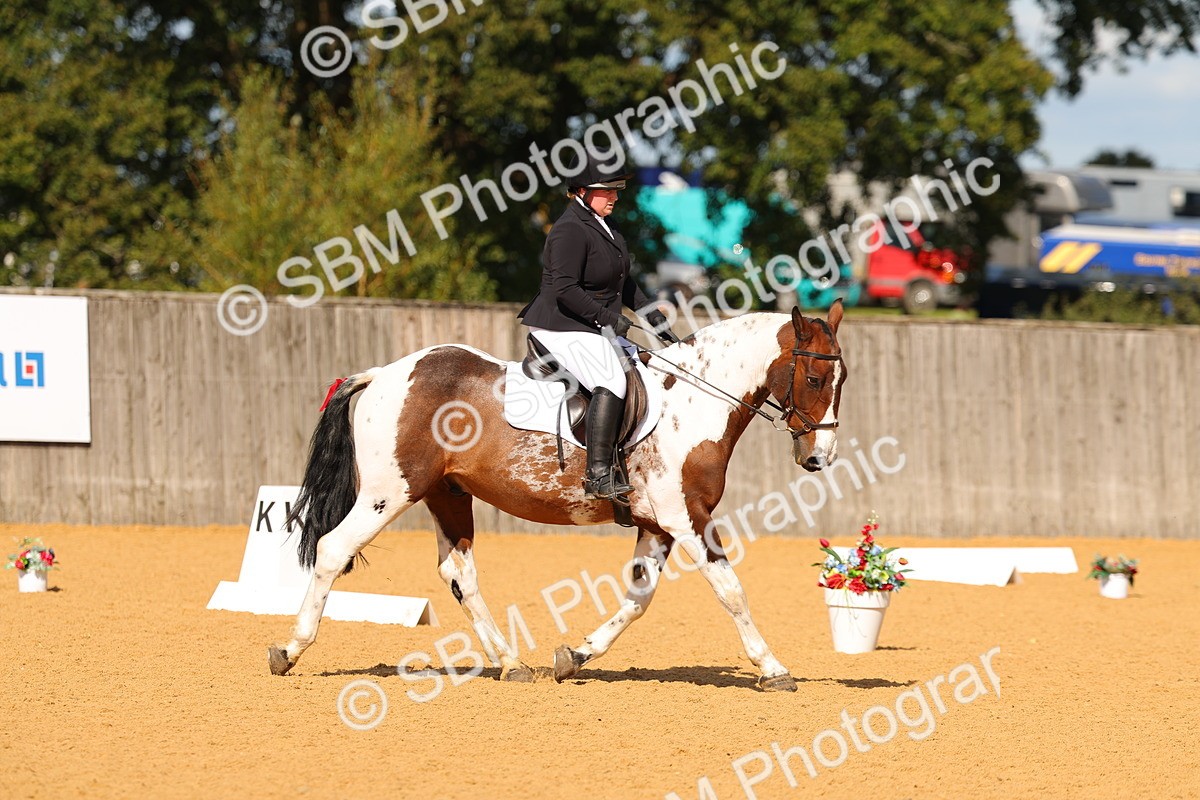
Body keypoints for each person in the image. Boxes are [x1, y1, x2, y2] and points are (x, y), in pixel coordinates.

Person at [518, 150, 680, 501]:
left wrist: (652, 316)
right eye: (608, 190)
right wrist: (609, 318)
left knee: (646, 369)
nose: (615, 196)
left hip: (590, 325)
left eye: (616, 189)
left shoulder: (607, 226)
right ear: (581, 191)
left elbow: (625, 282)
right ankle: (597, 475)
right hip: (561, 326)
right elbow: (565, 290)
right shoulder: (569, 231)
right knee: (611, 379)